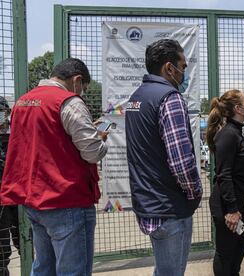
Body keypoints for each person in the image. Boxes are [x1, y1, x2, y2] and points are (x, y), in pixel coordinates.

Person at [0, 58, 108, 276]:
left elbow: (45, 141)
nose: (82, 94)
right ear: (77, 80)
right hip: (67, 200)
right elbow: (92, 152)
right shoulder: (70, 102)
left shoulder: (22, 103)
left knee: (44, 267)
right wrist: (100, 138)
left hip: (34, 200)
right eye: (83, 89)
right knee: (72, 270)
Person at [125, 39, 202, 276]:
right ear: (169, 68)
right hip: (169, 206)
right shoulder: (170, 98)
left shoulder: (136, 98)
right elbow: (181, 161)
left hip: (149, 203)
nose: (184, 73)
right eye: (183, 66)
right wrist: (195, 192)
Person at [207, 89, 244, 276]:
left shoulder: (236, 132)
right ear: (238, 108)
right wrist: (232, 210)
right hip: (227, 204)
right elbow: (223, 175)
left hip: (236, 199)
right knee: (225, 250)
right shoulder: (228, 134)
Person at [0, 97, 19, 276]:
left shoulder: (13, 134)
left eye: (3, 113)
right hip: (2, 204)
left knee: (26, 242)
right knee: (2, 250)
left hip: (17, 198)